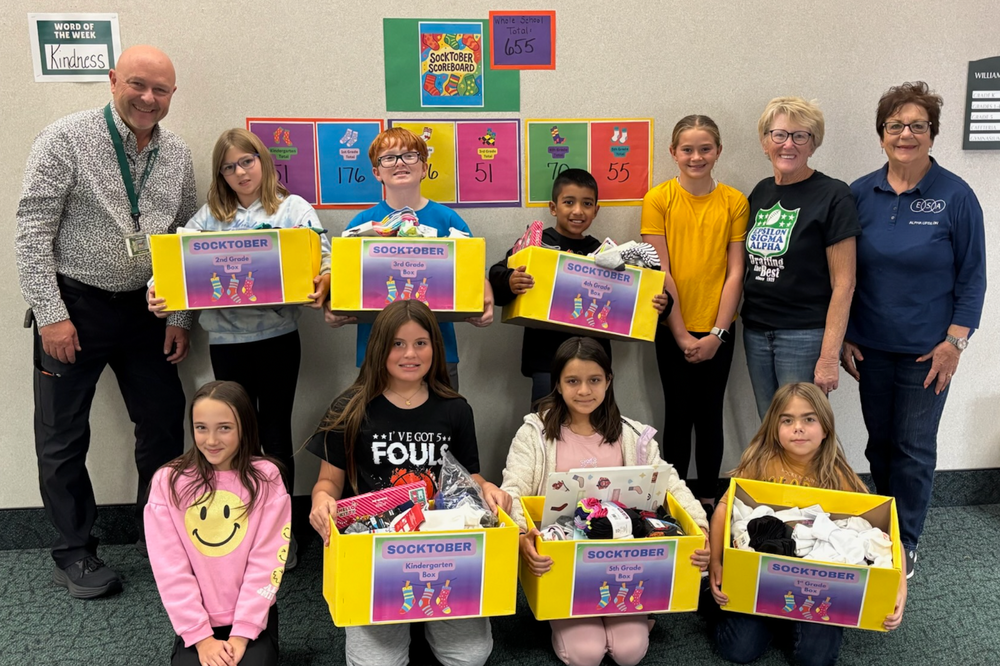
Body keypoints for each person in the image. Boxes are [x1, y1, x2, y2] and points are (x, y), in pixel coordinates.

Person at [14, 45, 195, 598]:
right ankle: (75, 552)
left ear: (171, 95)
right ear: (114, 79)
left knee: (164, 422)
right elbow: (31, 232)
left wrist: (180, 315)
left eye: (160, 90)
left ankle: (158, 533)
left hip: (147, 309)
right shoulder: (65, 138)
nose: (148, 98)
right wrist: (51, 315)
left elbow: (185, 234)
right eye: (138, 84)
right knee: (62, 436)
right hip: (75, 308)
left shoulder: (178, 154)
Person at [148, 128, 332, 567]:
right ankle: (242, 530)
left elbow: (323, 259)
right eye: (229, 167)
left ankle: (280, 534)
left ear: (263, 161)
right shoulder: (210, 215)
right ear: (221, 174)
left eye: (246, 161)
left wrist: (325, 280)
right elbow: (174, 261)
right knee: (234, 437)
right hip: (227, 343)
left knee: (274, 433)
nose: (239, 172)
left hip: (278, 340)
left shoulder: (293, 208)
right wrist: (159, 290)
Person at [307, 299, 511, 666]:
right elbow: (327, 483)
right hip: (376, 551)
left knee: (471, 657)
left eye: (421, 343)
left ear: (436, 346)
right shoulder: (348, 408)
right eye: (397, 344)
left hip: (445, 546)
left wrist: (488, 489)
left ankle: (422, 618)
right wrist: (320, 503)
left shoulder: (455, 408)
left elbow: (471, 476)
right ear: (378, 348)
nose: (410, 354)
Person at [841, 81, 987, 580]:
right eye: (895, 125)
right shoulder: (860, 193)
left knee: (914, 447)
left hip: (930, 351)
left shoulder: (956, 196)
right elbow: (844, 272)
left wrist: (955, 343)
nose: (906, 134)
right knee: (879, 444)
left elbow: (973, 277)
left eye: (917, 126)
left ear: (932, 134)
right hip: (871, 347)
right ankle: (883, 528)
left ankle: (906, 541)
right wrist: (844, 334)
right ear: (881, 134)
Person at [500, 337, 709, 666]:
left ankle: (628, 614)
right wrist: (523, 534)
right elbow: (513, 489)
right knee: (586, 654)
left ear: (608, 381)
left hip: (623, 561)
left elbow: (671, 483)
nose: (584, 391)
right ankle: (562, 616)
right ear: (557, 383)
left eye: (594, 380)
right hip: (564, 563)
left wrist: (700, 527)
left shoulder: (632, 434)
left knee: (629, 652)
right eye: (573, 381)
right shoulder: (534, 433)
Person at [708, 383, 906, 666]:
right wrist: (716, 562)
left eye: (809, 419)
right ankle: (760, 613)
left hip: (817, 584)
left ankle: (787, 618)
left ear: (825, 428)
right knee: (738, 649)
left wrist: (900, 591)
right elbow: (724, 509)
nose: (797, 428)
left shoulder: (838, 475)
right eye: (787, 420)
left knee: (816, 660)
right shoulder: (759, 463)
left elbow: (885, 531)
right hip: (764, 576)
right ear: (775, 427)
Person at [324, 127, 494, 392]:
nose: (400, 163)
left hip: (438, 353)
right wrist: (332, 306)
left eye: (409, 156)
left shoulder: (449, 221)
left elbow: (474, 276)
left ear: (424, 168)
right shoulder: (360, 224)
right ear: (376, 172)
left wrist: (486, 301)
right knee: (378, 431)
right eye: (389, 157)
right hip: (378, 353)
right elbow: (344, 282)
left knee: (442, 428)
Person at [640, 115, 749, 514]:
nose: (696, 156)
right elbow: (660, 270)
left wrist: (717, 334)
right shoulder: (658, 199)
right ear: (673, 153)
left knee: (710, 413)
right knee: (678, 412)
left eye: (705, 148)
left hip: (720, 327)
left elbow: (736, 271)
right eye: (687, 149)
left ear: (718, 151)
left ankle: (707, 496)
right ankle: (676, 497)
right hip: (672, 326)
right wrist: (683, 335)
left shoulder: (735, 202)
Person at [490, 168, 670, 406]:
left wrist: (663, 305)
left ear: (596, 210)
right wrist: (510, 281)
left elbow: (639, 293)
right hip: (547, 362)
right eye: (568, 202)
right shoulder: (536, 245)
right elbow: (496, 275)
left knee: (593, 431)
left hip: (593, 363)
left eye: (586, 203)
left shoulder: (607, 254)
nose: (578, 210)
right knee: (546, 430)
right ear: (553, 208)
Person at [145, 381, 290, 666]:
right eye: (201, 427)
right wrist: (200, 638)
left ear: (245, 427)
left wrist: (242, 634)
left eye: (224, 427)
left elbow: (267, 562)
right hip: (197, 620)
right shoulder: (169, 481)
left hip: (251, 617)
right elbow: (169, 568)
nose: (211, 440)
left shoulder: (267, 478)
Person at [741, 97, 860, 419]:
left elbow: (845, 283)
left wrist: (828, 357)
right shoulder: (761, 192)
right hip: (755, 330)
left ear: (813, 143)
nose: (787, 144)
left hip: (805, 335)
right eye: (778, 135)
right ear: (766, 142)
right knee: (771, 428)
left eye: (800, 135)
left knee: (802, 433)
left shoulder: (834, 195)